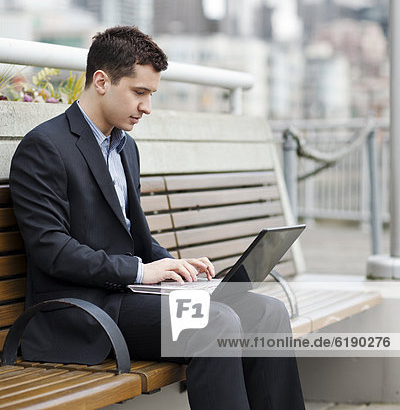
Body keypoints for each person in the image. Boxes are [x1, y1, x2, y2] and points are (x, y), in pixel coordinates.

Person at [10, 26, 305, 410]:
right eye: (139, 92)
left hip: (130, 299)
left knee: (266, 311)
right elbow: (51, 250)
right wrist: (139, 272)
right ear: (101, 81)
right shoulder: (45, 147)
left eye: (151, 94)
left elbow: (137, 240)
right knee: (214, 323)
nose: (147, 107)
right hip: (83, 313)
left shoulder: (125, 148)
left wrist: (174, 267)